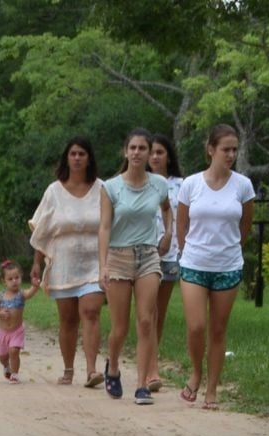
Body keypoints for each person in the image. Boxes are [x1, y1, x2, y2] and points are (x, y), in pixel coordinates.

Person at [175, 124, 255, 410]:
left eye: (234, 150)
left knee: (218, 330)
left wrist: (232, 249)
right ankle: (196, 372)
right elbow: (181, 224)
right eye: (225, 149)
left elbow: (245, 225)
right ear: (211, 149)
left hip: (228, 266)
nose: (230, 155)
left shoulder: (243, 186)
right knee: (196, 326)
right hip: (194, 264)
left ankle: (212, 389)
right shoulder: (191, 184)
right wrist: (187, 252)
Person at [98, 129, 169, 405]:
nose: (137, 153)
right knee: (120, 327)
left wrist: (168, 233)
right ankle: (113, 366)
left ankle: (141, 385)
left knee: (146, 320)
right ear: (125, 152)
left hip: (148, 254)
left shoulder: (159, 184)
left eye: (143, 148)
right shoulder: (111, 187)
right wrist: (103, 265)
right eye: (133, 148)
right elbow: (104, 227)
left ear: (149, 153)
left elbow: (166, 208)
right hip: (119, 256)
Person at [29, 137, 106, 388]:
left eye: (82, 153)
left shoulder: (102, 189)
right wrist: (37, 263)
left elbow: (111, 225)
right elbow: (42, 229)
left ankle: (92, 370)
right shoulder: (54, 191)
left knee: (91, 312)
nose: (77, 158)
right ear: (66, 158)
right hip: (63, 263)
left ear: (89, 158)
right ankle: (68, 369)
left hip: (95, 262)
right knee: (68, 319)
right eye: (73, 154)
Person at [142, 133, 183, 392]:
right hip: (143, 253)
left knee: (159, 313)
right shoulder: (139, 182)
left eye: (160, 152)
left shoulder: (181, 185)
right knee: (148, 311)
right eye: (152, 152)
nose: (155, 157)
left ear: (168, 156)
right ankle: (151, 369)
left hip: (170, 253)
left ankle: (149, 361)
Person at [0, 260, 41, 384]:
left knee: (14, 351)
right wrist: (0, 314)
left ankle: (15, 374)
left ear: (21, 277)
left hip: (17, 330)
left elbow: (30, 293)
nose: (14, 281)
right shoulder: (1, 296)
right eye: (10, 279)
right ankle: (6, 365)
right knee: (2, 356)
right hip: (3, 332)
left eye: (17, 278)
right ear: (4, 281)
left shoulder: (21, 294)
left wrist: (35, 286)